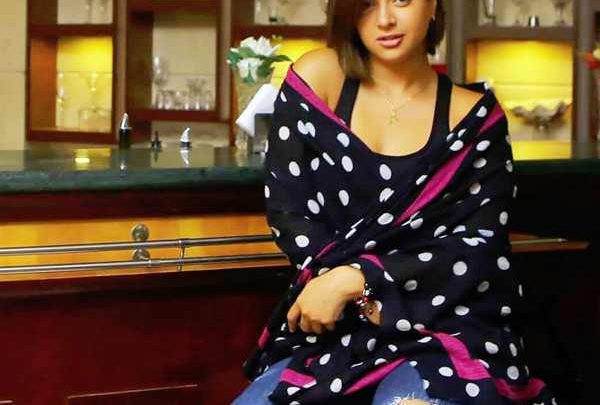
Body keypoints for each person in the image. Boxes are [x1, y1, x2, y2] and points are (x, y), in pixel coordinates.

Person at [232, 0, 556, 404]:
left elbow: (478, 248)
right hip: (336, 330)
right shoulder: (319, 79)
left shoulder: (473, 116)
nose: (385, 19)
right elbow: (289, 215)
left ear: (434, 6)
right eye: (368, 4)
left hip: (448, 330)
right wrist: (347, 291)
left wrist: (358, 278)